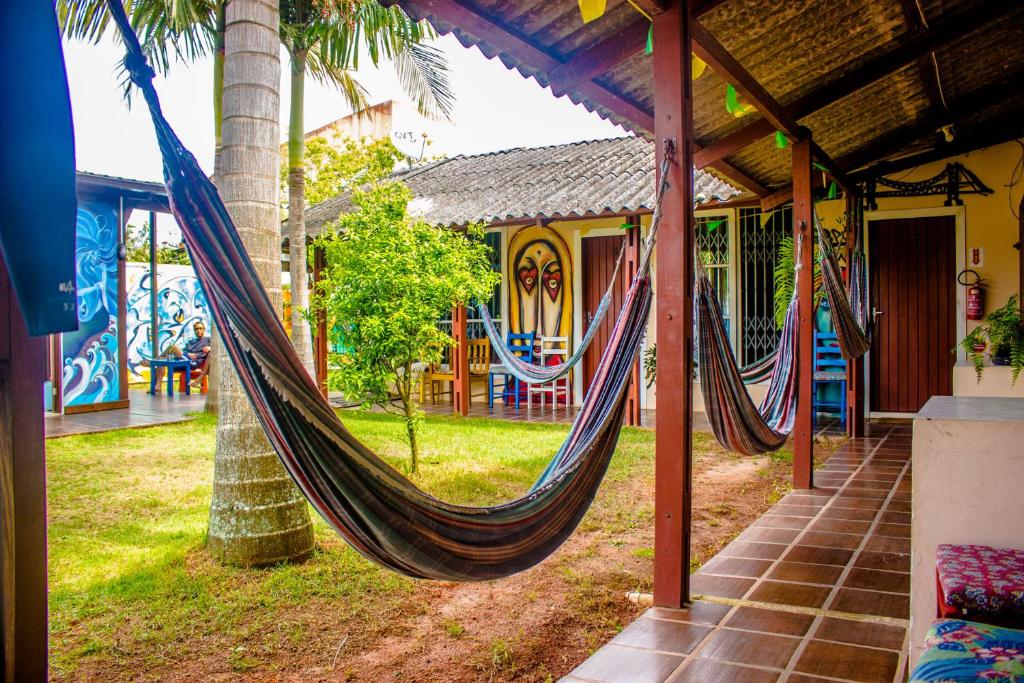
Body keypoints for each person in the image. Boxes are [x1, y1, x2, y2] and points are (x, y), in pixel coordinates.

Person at [148, 321, 211, 392]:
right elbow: (184, 351)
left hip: (192, 363)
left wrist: (209, 348)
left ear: (204, 329)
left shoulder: (208, 339)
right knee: (162, 360)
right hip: (183, 360)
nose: (198, 330)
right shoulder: (191, 341)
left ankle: (152, 362)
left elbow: (216, 348)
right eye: (196, 329)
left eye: (200, 328)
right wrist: (188, 354)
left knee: (172, 347)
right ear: (194, 330)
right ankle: (157, 386)